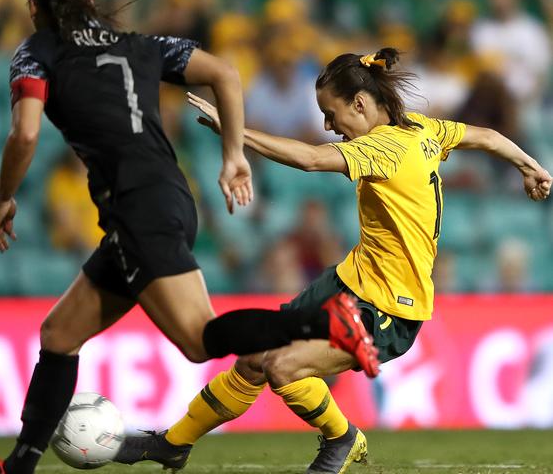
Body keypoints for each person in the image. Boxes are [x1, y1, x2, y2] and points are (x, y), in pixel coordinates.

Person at [0, 0, 376, 473]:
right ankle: (18, 468)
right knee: (59, 334)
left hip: (137, 211)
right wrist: (233, 153)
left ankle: (325, 324)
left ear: (33, 7)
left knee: (198, 340)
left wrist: (5, 196)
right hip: (170, 196)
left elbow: (25, 132)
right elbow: (224, 71)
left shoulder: (38, 51)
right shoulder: (138, 43)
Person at [116, 48, 552, 474]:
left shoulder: (383, 149)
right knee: (254, 357)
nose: (329, 125)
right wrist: (528, 165)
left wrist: (234, 129)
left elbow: (308, 159)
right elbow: (487, 137)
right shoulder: (422, 129)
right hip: (347, 282)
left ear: (360, 103)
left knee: (283, 368)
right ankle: (174, 444)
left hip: (387, 307)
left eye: (331, 114)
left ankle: (342, 437)